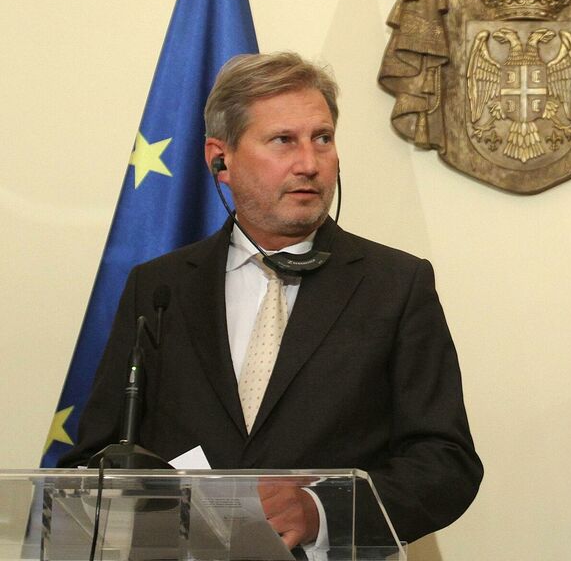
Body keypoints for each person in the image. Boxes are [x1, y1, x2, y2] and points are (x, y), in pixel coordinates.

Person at [63, 52, 483, 556]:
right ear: (221, 159)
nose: (309, 163)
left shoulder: (395, 285)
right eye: (283, 140)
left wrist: (322, 511)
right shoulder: (158, 288)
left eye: (322, 139)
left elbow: (446, 462)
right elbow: (96, 457)